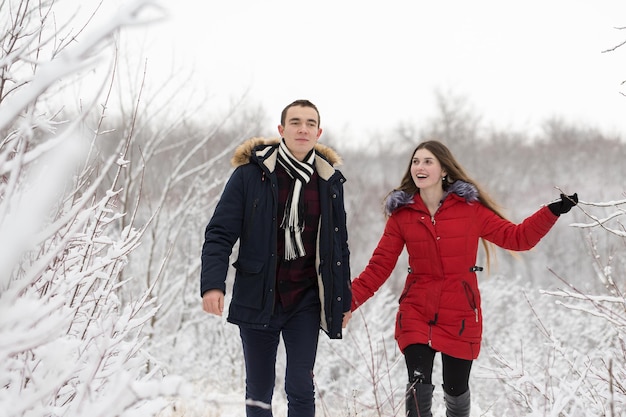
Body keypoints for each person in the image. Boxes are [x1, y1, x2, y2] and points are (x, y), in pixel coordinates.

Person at [349, 140, 578, 417]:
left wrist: (551, 211)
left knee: (456, 389)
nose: (419, 167)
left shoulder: (470, 210)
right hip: (417, 310)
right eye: (415, 161)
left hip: (459, 314)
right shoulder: (402, 216)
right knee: (418, 385)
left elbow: (518, 238)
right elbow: (379, 267)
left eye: (427, 161)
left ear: (444, 169)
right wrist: (347, 303)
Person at [200, 99, 352, 417]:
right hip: (258, 296)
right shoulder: (249, 176)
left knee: (300, 385)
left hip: (305, 301)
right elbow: (219, 234)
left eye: (310, 123)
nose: (303, 128)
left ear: (319, 132)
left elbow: (339, 247)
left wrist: (344, 298)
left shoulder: (328, 182)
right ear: (281, 130)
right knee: (259, 389)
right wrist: (212, 284)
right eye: (295, 122)